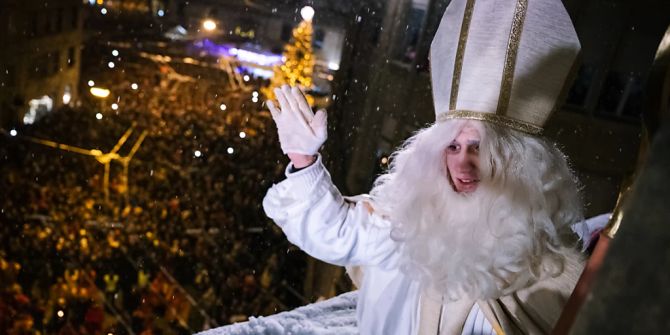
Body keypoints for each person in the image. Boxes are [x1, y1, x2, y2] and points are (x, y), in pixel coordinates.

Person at [263, 0, 586, 333]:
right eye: (453, 147)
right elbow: (335, 232)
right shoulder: (410, 226)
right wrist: (303, 160)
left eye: (478, 148)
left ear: (515, 163)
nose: (463, 162)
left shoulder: (552, 272)